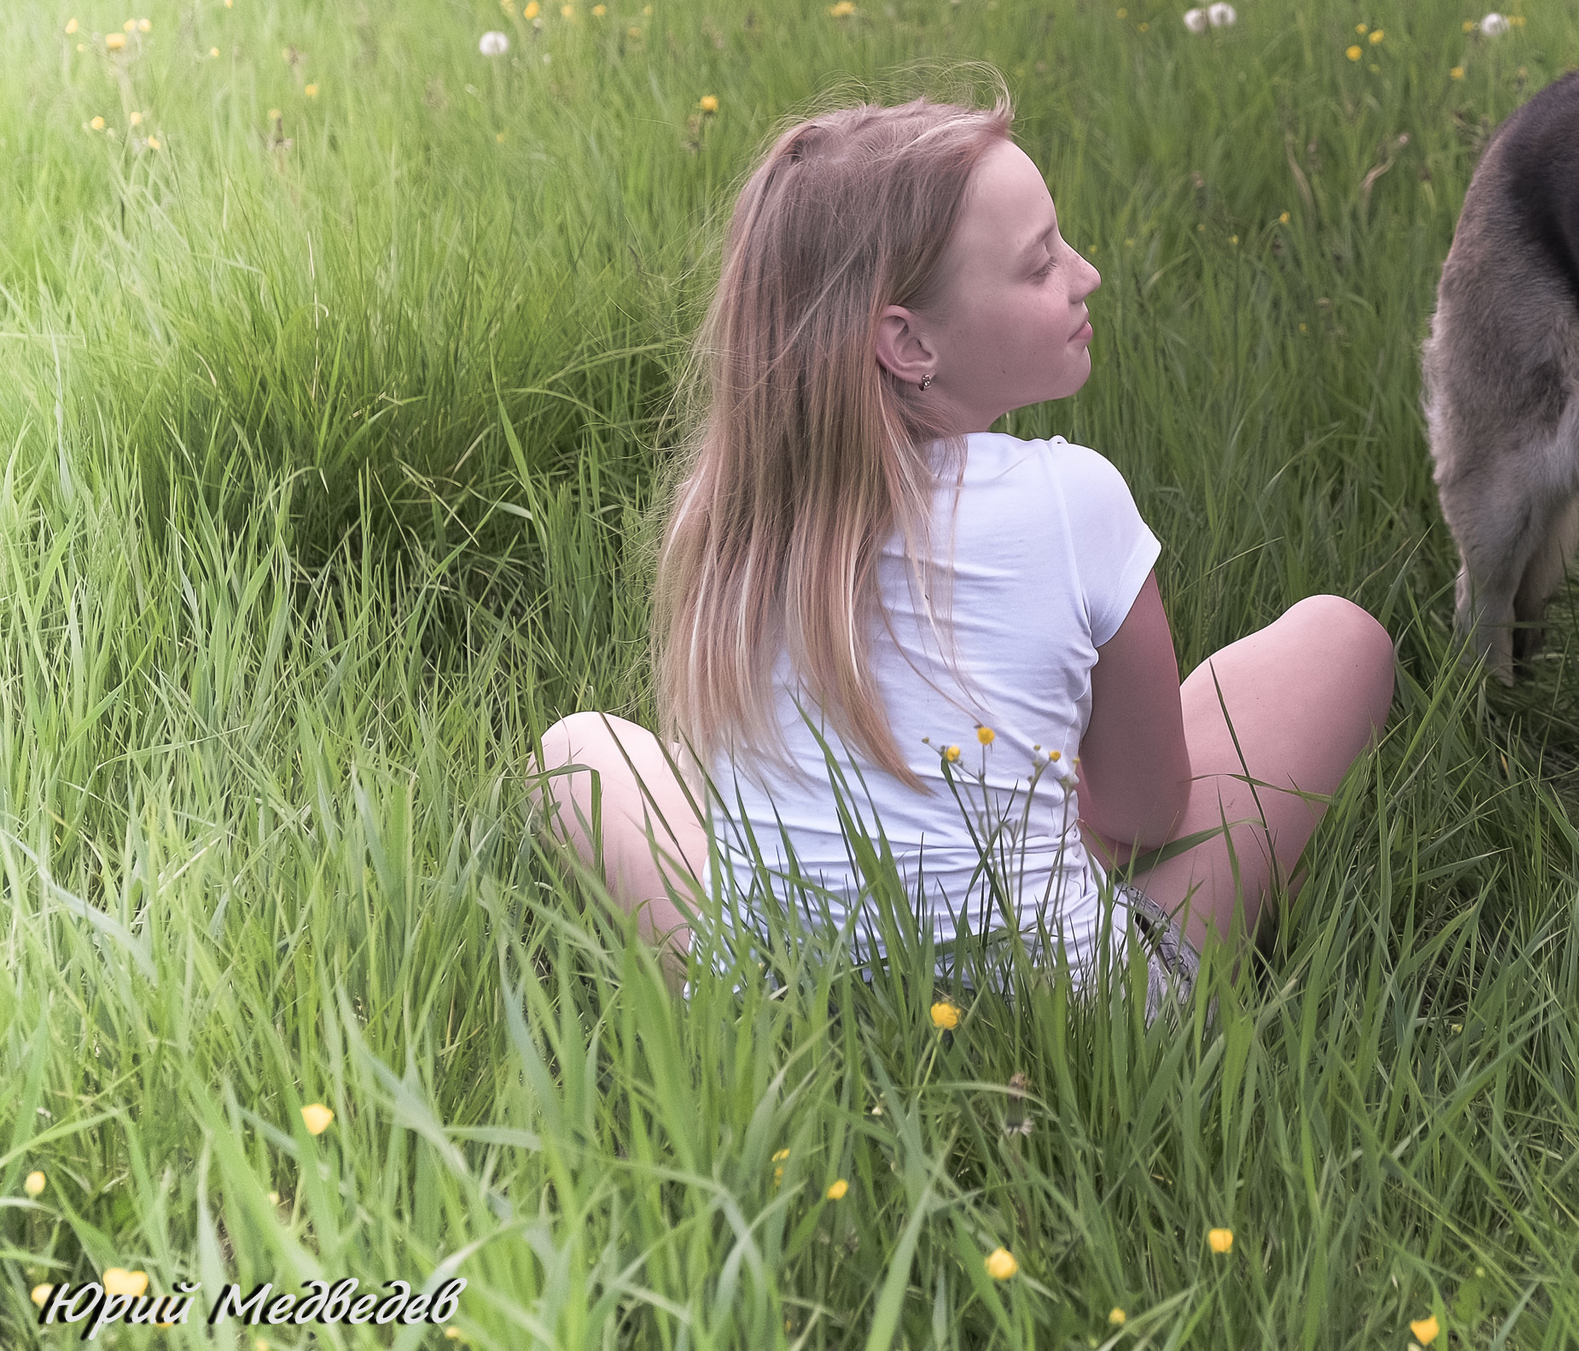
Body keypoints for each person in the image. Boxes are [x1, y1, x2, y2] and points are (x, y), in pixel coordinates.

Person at [525, 90, 1396, 1009]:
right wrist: (1022, 801)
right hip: (1081, 1019)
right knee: (1339, 641)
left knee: (578, 753)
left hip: (781, 1020)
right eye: (1040, 263)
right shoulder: (1075, 499)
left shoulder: (738, 518)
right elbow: (1146, 815)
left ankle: (751, 992)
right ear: (907, 342)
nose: (1087, 273)